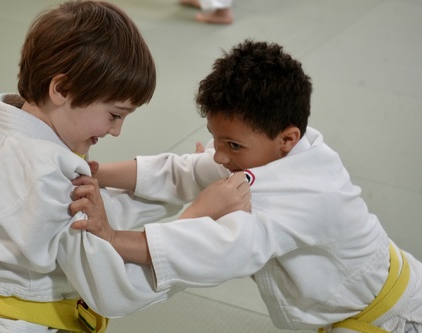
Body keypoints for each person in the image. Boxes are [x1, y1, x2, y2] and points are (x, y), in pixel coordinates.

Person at [0, 1, 250, 332]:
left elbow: (99, 217)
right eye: (114, 114)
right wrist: (199, 218)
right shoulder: (48, 174)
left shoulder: (7, 133)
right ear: (62, 89)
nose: (116, 130)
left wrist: (194, 175)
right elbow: (116, 289)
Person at [71, 40, 422, 332]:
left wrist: (114, 238)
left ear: (287, 138)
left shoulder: (305, 194)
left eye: (233, 146)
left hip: (393, 319)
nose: (220, 156)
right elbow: (185, 171)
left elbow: (221, 249)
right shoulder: (268, 153)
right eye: (214, 140)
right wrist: (97, 173)